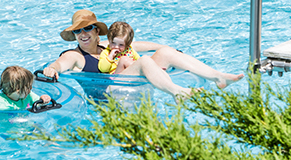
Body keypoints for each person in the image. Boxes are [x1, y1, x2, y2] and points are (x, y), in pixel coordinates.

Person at [42, 9, 244, 98]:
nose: (82, 34)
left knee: (163, 53)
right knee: (144, 61)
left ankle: (218, 76)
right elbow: (60, 63)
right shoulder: (75, 55)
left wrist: (165, 47)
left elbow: (137, 45)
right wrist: (51, 69)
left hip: (126, 83)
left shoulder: (105, 46)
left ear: (97, 31)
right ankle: (178, 92)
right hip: (109, 95)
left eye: (87, 29)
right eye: (77, 31)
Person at [0, 65, 52, 139]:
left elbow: (40, 103)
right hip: (10, 133)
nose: (31, 89)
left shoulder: (28, 95)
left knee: (48, 137)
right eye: (29, 87)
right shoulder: (1, 101)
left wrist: (44, 99)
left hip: (30, 127)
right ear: (18, 90)